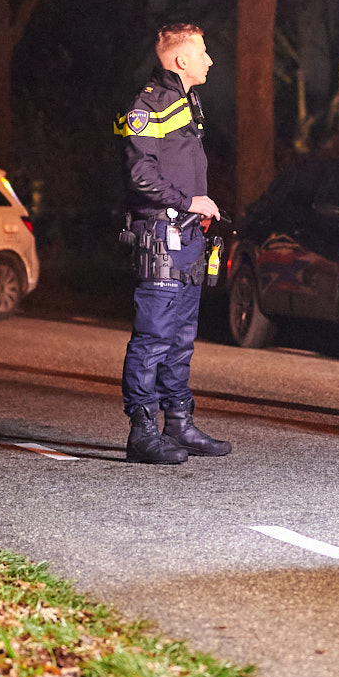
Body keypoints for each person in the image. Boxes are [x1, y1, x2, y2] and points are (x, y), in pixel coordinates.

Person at [116, 23, 232, 465]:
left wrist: (196, 209)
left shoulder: (186, 101)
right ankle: (142, 432)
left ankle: (178, 424)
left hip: (187, 235)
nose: (210, 59)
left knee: (181, 337)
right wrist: (189, 201)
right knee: (153, 337)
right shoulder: (148, 105)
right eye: (203, 51)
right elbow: (140, 175)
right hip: (160, 235)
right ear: (181, 60)